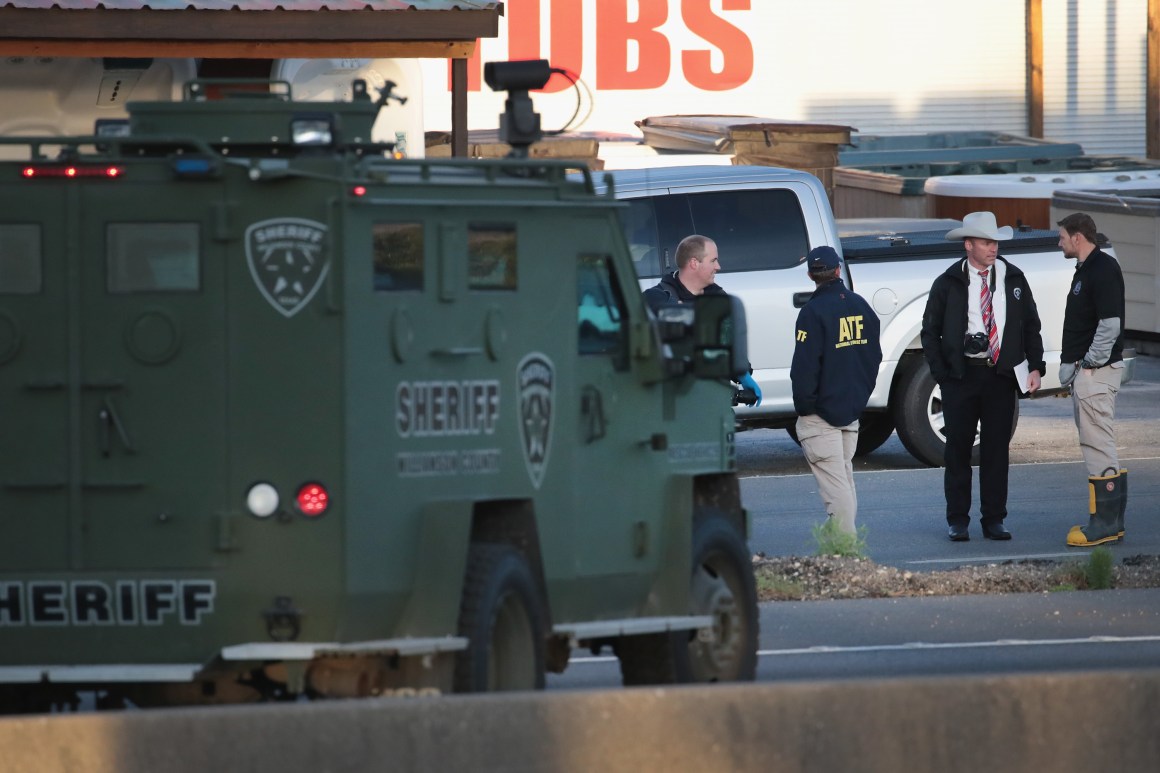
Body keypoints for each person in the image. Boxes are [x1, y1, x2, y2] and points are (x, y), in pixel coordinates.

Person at [920, 211, 1045, 542]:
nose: (994, 248)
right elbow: (929, 332)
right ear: (969, 245)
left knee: (996, 451)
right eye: (987, 242)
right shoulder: (947, 283)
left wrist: (1035, 366)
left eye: (995, 243)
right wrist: (942, 374)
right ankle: (958, 519)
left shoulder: (1012, 277)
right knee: (957, 449)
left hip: (1000, 376)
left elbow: (1031, 325)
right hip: (961, 377)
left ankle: (994, 519)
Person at [790, 245, 882, 536]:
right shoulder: (861, 306)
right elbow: (873, 357)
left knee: (836, 487)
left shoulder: (812, 312)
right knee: (843, 481)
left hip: (821, 416)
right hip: (850, 412)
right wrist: (859, 398)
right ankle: (843, 548)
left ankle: (847, 552)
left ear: (810, 275)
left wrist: (806, 407)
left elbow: (804, 368)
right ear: (838, 270)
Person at [1057, 212, 1128, 547]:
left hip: (1096, 375)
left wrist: (1089, 363)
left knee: (1098, 445)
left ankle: (1103, 526)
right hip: (1089, 374)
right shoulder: (1087, 269)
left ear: (1077, 237)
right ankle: (1110, 522)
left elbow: (1110, 325)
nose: (1059, 243)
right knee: (1096, 443)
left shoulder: (1102, 269)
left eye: (1062, 237)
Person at [643, 234, 761, 404]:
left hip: (713, 401)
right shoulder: (657, 299)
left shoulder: (719, 298)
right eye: (713, 260)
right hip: (673, 403)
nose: (718, 266)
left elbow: (728, 342)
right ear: (694, 263)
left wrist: (743, 374)